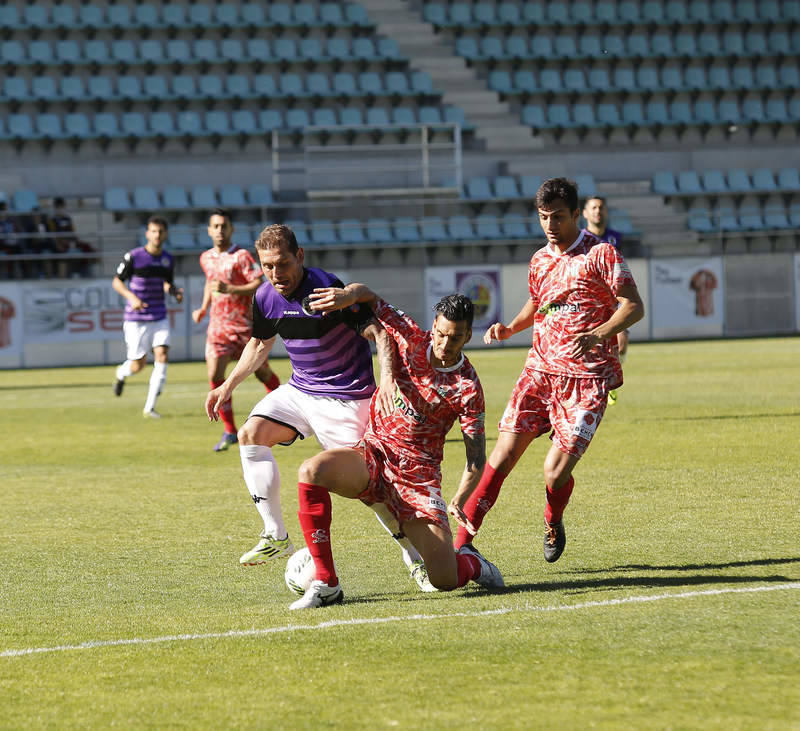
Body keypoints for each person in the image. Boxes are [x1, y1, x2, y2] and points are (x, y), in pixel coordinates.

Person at [205, 224, 432, 590]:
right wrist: (228, 386)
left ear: (300, 256)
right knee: (251, 434)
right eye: (267, 266)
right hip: (300, 390)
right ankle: (275, 535)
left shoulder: (327, 290)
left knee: (370, 492)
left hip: (347, 398)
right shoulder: (264, 297)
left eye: (282, 264)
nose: (276, 274)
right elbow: (261, 343)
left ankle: (415, 558)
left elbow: (378, 332)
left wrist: (388, 377)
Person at [454, 177, 644, 563]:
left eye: (558, 217)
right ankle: (461, 542)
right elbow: (539, 303)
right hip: (539, 371)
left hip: (587, 379)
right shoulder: (539, 259)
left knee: (554, 473)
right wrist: (510, 327)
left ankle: (552, 519)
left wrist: (599, 333)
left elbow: (633, 306)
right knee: (503, 454)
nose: (550, 225)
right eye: (544, 217)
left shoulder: (601, 254)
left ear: (576, 214)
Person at [287, 288, 503, 609]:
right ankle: (327, 582)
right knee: (312, 471)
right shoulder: (412, 337)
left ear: (469, 335)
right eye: (441, 334)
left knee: (443, 580)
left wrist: (460, 497)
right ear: (434, 326)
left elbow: (475, 459)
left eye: (455, 338)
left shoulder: (467, 387)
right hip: (373, 456)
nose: (445, 344)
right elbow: (368, 296)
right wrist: (346, 295)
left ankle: (471, 562)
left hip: (417, 481)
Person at [192, 209, 280, 452]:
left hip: (243, 326)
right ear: (209, 230)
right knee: (214, 373)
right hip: (218, 326)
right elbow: (212, 284)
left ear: (231, 229)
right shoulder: (206, 257)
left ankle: (286, 416)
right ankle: (229, 430)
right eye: (216, 226)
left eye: (224, 226)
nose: (220, 230)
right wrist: (203, 308)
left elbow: (258, 283)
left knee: (262, 373)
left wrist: (231, 289)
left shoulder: (241, 256)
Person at [112, 215, 184, 418]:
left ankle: (149, 408)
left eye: (161, 232)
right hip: (136, 319)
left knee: (162, 354)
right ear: (147, 234)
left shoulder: (168, 259)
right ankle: (121, 373)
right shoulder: (133, 256)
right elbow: (117, 282)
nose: (157, 235)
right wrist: (131, 297)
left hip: (159, 315)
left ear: (166, 234)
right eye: (153, 231)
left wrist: (175, 293)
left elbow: (167, 283)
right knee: (138, 364)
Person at [582, 195, 628, 404]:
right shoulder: (580, 239)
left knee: (622, 342)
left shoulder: (615, 238)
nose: (597, 211)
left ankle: (610, 381)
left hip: (612, 298)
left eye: (601, 207)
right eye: (593, 208)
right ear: (584, 213)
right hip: (590, 301)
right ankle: (589, 384)